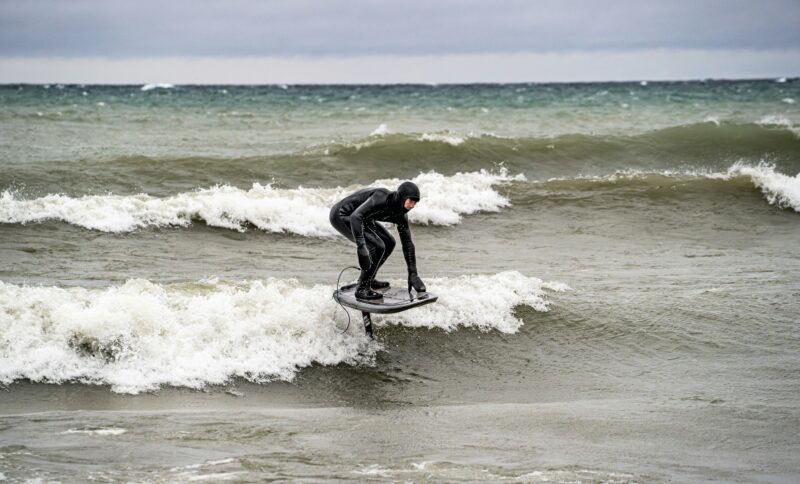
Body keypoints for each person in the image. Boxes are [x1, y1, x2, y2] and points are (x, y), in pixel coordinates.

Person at [329, 181, 427, 301]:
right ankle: (362, 288)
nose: (412, 206)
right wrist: (361, 246)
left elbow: (407, 244)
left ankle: (368, 280)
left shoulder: (401, 216)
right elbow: (356, 216)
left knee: (389, 242)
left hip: (363, 218)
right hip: (343, 214)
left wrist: (413, 274)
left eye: (415, 203)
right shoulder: (381, 198)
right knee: (377, 246)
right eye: (410, 201)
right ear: (402, 198)